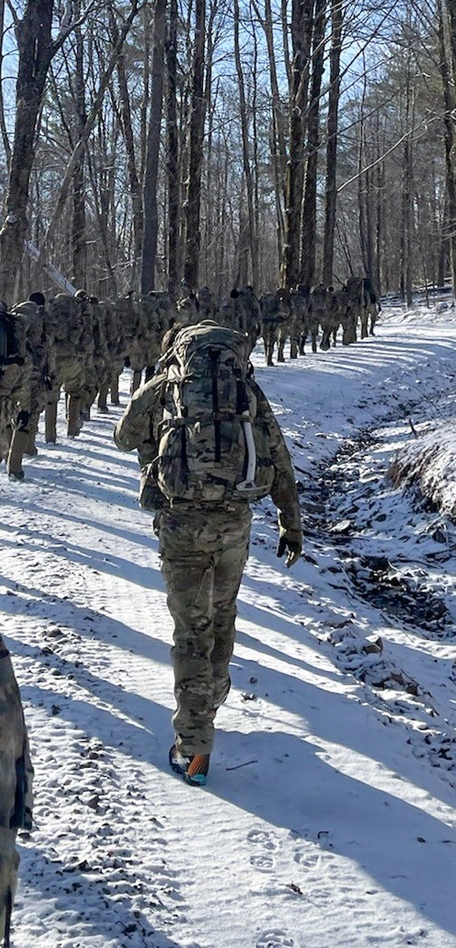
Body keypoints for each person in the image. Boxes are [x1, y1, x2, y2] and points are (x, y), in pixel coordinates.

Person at [113, 321, 303, 786]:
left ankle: (196, 749)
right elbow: (278, 457)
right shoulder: (246, 390)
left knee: (190, 633)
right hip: (234, 522)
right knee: (221, 617)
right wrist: (290, 523)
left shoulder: (168, 385)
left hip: (181, 525)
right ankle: (211, 699)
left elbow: (122, 435)